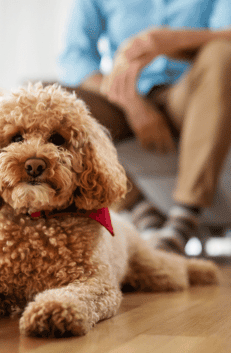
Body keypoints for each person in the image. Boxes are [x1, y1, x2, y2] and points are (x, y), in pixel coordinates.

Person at [58, 0, 231, 254]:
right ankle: (142, 213)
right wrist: (130, 103)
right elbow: (75, 57)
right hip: (122, 97)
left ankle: (183, 220)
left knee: (223, 52)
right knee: (55, 106)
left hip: (190, 94)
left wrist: (172, 40)